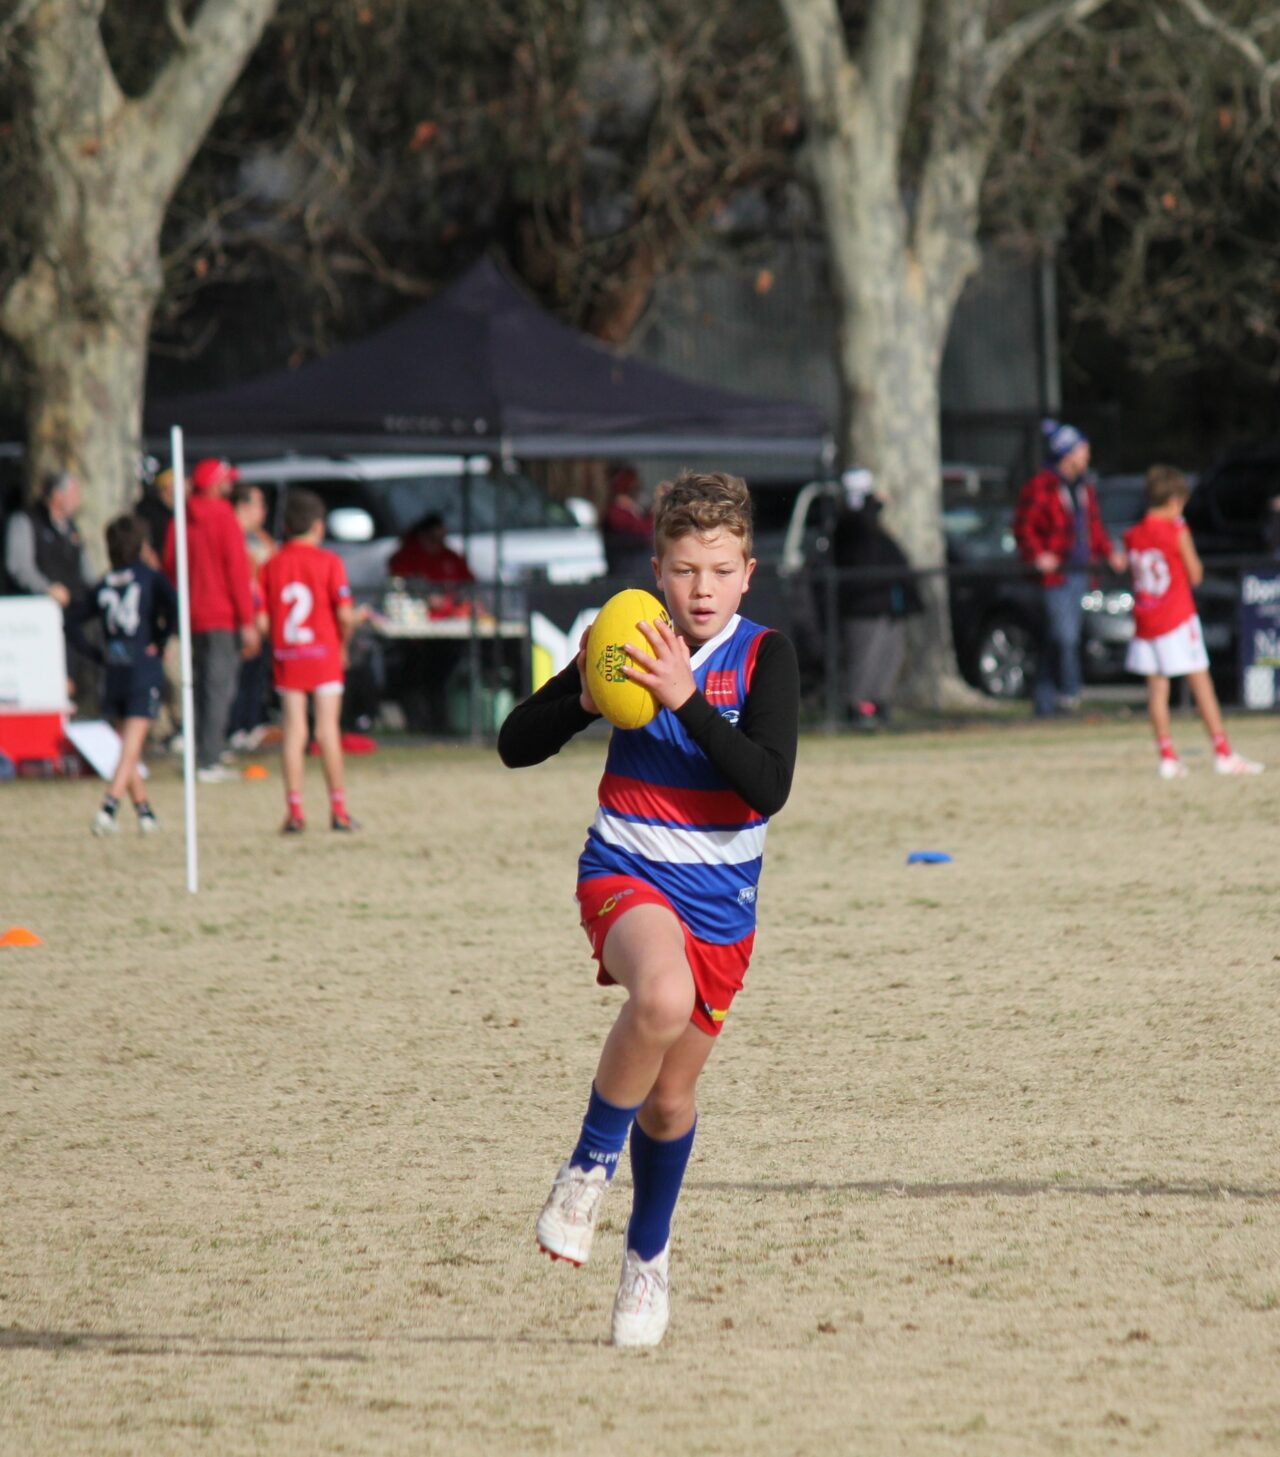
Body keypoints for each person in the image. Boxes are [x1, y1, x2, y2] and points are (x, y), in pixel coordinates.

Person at [497, 470, 800, 1347]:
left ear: (747, 573)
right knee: (660, 996)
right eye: (684, 569)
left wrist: (685, 700)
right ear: (657, 570)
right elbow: (515, 743)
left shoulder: (765, 656)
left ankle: (647, 1256)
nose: (701, 588)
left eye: (720, 570)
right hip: (626, 872)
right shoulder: (626, 636)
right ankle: (585, 1171)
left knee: (669, 1102)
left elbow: (767, 786)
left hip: (722, 909)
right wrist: (580, 697)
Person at [1124, 465, 1262, 778]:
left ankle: (1167, 757)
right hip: (1176, 617)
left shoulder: (1133, 534)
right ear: (1175, 501)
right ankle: (1223, 752)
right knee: (1201, 685)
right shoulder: (1176, 530)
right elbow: (1195, 574)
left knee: (1157, 691)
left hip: (1146, 621)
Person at [64, 514, 177, 835]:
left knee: (129, 747)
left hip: (114, 670)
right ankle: (108, 808)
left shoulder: (105, 582)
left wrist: (95, 654)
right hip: (142, 669)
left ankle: (144, 813)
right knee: (131, 747)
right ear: (141, 546)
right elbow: (175, 608)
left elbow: (70, 621)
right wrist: (160, 641)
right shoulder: (150, 578)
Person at [257, 489, 358, 833]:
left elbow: (263, 622)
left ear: (285, 527)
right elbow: (344, 614)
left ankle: (295, 811)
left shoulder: (271, 565)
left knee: (294, 732)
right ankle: (339, 811)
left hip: (289, 655)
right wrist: (345, 641)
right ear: (318, 526)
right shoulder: (330, 562)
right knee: (327, 730)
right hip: (324, 654)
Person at [1013, 419, 1126, 717]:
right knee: (1064, 637)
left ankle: (1044, 703)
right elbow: (1024, 529)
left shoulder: (1083, 487)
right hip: (1055, 576)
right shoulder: (1041, 487)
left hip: (1081, 573)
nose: (1087, 456)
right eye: (1082, 450)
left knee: (1058, 639)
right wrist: (1038, 556)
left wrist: (1108, 552)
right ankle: (1070, 694)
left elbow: (1092, 527)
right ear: (1067, 453)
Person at [163, 457, 260, 781]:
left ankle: (201, 751)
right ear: (216, 485)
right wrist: (247, 620)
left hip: (191, 615)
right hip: (222, 615)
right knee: (218, 688)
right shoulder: (223, 516)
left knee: (196, 686)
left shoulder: (181, 518)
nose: (230, 485)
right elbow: (236, 570)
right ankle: (209, 758)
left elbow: (170, 566)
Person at [831, 468, 921, 728]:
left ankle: (878, 704)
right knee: (864, 659)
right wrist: (872, 503)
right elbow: (861, 527)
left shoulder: (874, 528)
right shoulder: (850, 527)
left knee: (889, 657)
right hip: (864, 605)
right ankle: (857, 708)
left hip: (888, 604)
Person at [228, 482, 276, 750]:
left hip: (262, 616)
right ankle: (234, 727)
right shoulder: (232, 535)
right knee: (238, 675)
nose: (263, 510)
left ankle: (250, 724)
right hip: (243, 616)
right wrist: (250, 616)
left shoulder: (259, 537)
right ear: (242, 505)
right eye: (259, 504)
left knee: (255, 675)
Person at [602, 463, 655, 578]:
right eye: (635, 486)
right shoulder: (616, 513)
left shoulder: (633, 509)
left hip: (639, 570)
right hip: (626, 572)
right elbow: (643, 532)